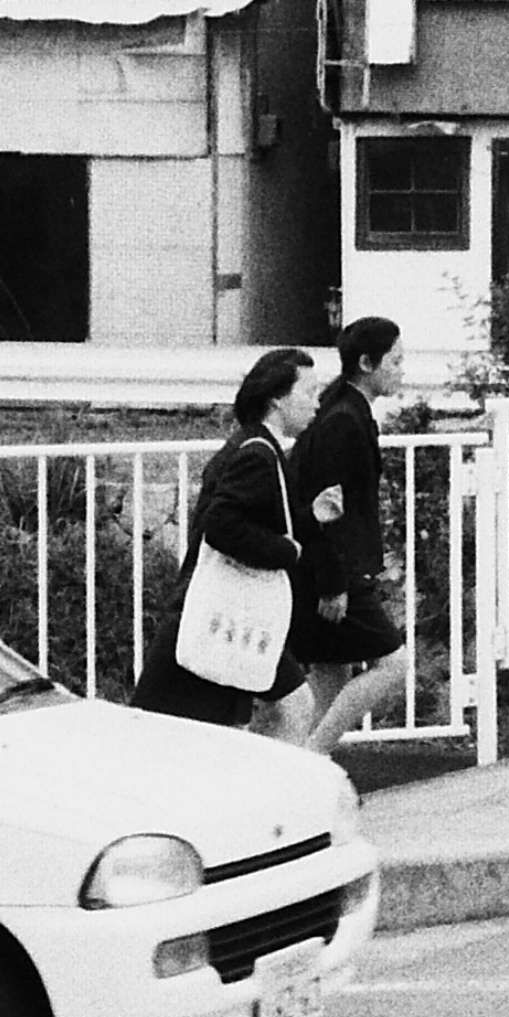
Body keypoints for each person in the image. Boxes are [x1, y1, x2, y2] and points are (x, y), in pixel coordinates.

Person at [136, 347, 315, 729]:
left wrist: (311, 518)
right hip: (221, 609)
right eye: (309, 392)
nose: (316, 404)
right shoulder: (258, 454)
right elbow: (223, 524)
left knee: (210, 728)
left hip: (222, 611)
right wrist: (286, 551)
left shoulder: (252, 445)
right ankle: (280, 788)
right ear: (278, 399)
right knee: (292, 707)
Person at [275, 317, 415, 753]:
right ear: (368, 363)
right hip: (335, 571)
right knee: (393, 664)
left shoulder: (346, 410)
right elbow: (326, 509)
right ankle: (314, 757)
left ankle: (293, 767)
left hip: (326, 568)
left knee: (331, 676)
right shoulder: (343, 420)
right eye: (396, 361)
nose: (402, 370)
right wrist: (334, 582)